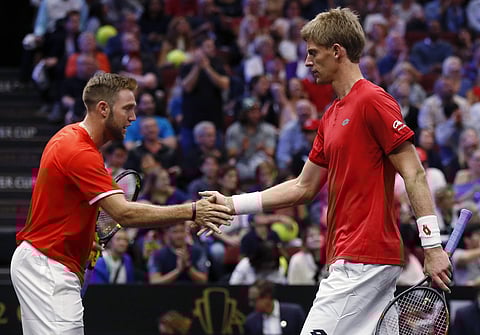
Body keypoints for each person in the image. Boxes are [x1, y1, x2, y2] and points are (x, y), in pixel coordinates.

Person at [200, 8, 452, 335]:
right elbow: (303, 187)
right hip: (348, 257)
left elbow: (414, 173)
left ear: (337, 51)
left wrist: (431, 246)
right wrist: (233, 205)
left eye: (313, 53)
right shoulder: (330, 115)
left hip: (365, 258)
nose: (307, 62)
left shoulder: (374, 100)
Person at [10, 73, 232, 335]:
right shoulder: (79, 151)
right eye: (128, 108)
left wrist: (84, 238)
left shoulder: (71, 139)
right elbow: (124, 213)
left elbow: (67, 206)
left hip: (45, 261)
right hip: (47, 266)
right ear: (103, 109)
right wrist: (193, 210)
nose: (134, 117)